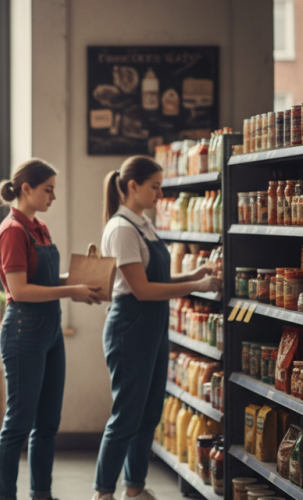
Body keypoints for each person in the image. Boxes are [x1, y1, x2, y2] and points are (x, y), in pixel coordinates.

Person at [94, 156, 221, 500]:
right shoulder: (122, 229)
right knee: (126, 415)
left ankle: (134, 488)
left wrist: (193, 274)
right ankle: (103, 493)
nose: (160, 194)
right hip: (130, 327)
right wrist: (197, 286)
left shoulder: (143, 224)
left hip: (152, 327)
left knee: (149, 413)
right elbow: (142, 289)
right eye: (155, 186)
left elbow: (157, 278)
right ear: (132, 185)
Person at [0, 159, 103, 500]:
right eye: (48, 189)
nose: (53, 197)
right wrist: (72, 291)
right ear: (26, 189)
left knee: (48, 422)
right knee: (18, 423)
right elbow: (19, 290)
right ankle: (5, 496)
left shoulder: (38, 227)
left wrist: (85, 277)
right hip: (24, 331)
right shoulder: (13, 230)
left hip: (50, 330)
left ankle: (41, 494)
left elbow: (44, 280)